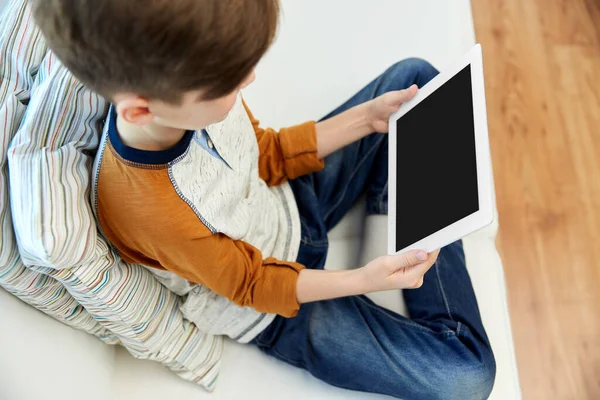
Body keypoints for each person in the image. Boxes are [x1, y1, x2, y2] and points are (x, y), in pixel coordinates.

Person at [31, 0, 496, 398]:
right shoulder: (147, 208)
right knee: (466, 376)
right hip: (272, 308)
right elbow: (254, 285)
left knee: (417, 83)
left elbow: (265, 154)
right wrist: (363, 279)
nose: (249, 80)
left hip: (287, 204)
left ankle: (405, 215)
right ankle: (403, 217)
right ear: (141, 109)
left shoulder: (194, 89)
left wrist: (364, 119)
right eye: (230, 83)